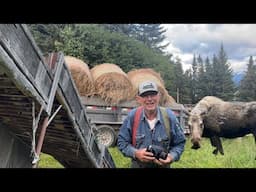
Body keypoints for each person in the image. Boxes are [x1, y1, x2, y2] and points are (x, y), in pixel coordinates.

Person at [117, 81, 186, 168]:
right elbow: (122, 142)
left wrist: (171, 157)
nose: (149, 99)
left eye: (153, 95)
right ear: (139, 99)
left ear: (159, 96)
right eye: (145, 95)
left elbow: (180, 143)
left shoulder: (169, 116)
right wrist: (136, 153)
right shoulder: (133, 116)